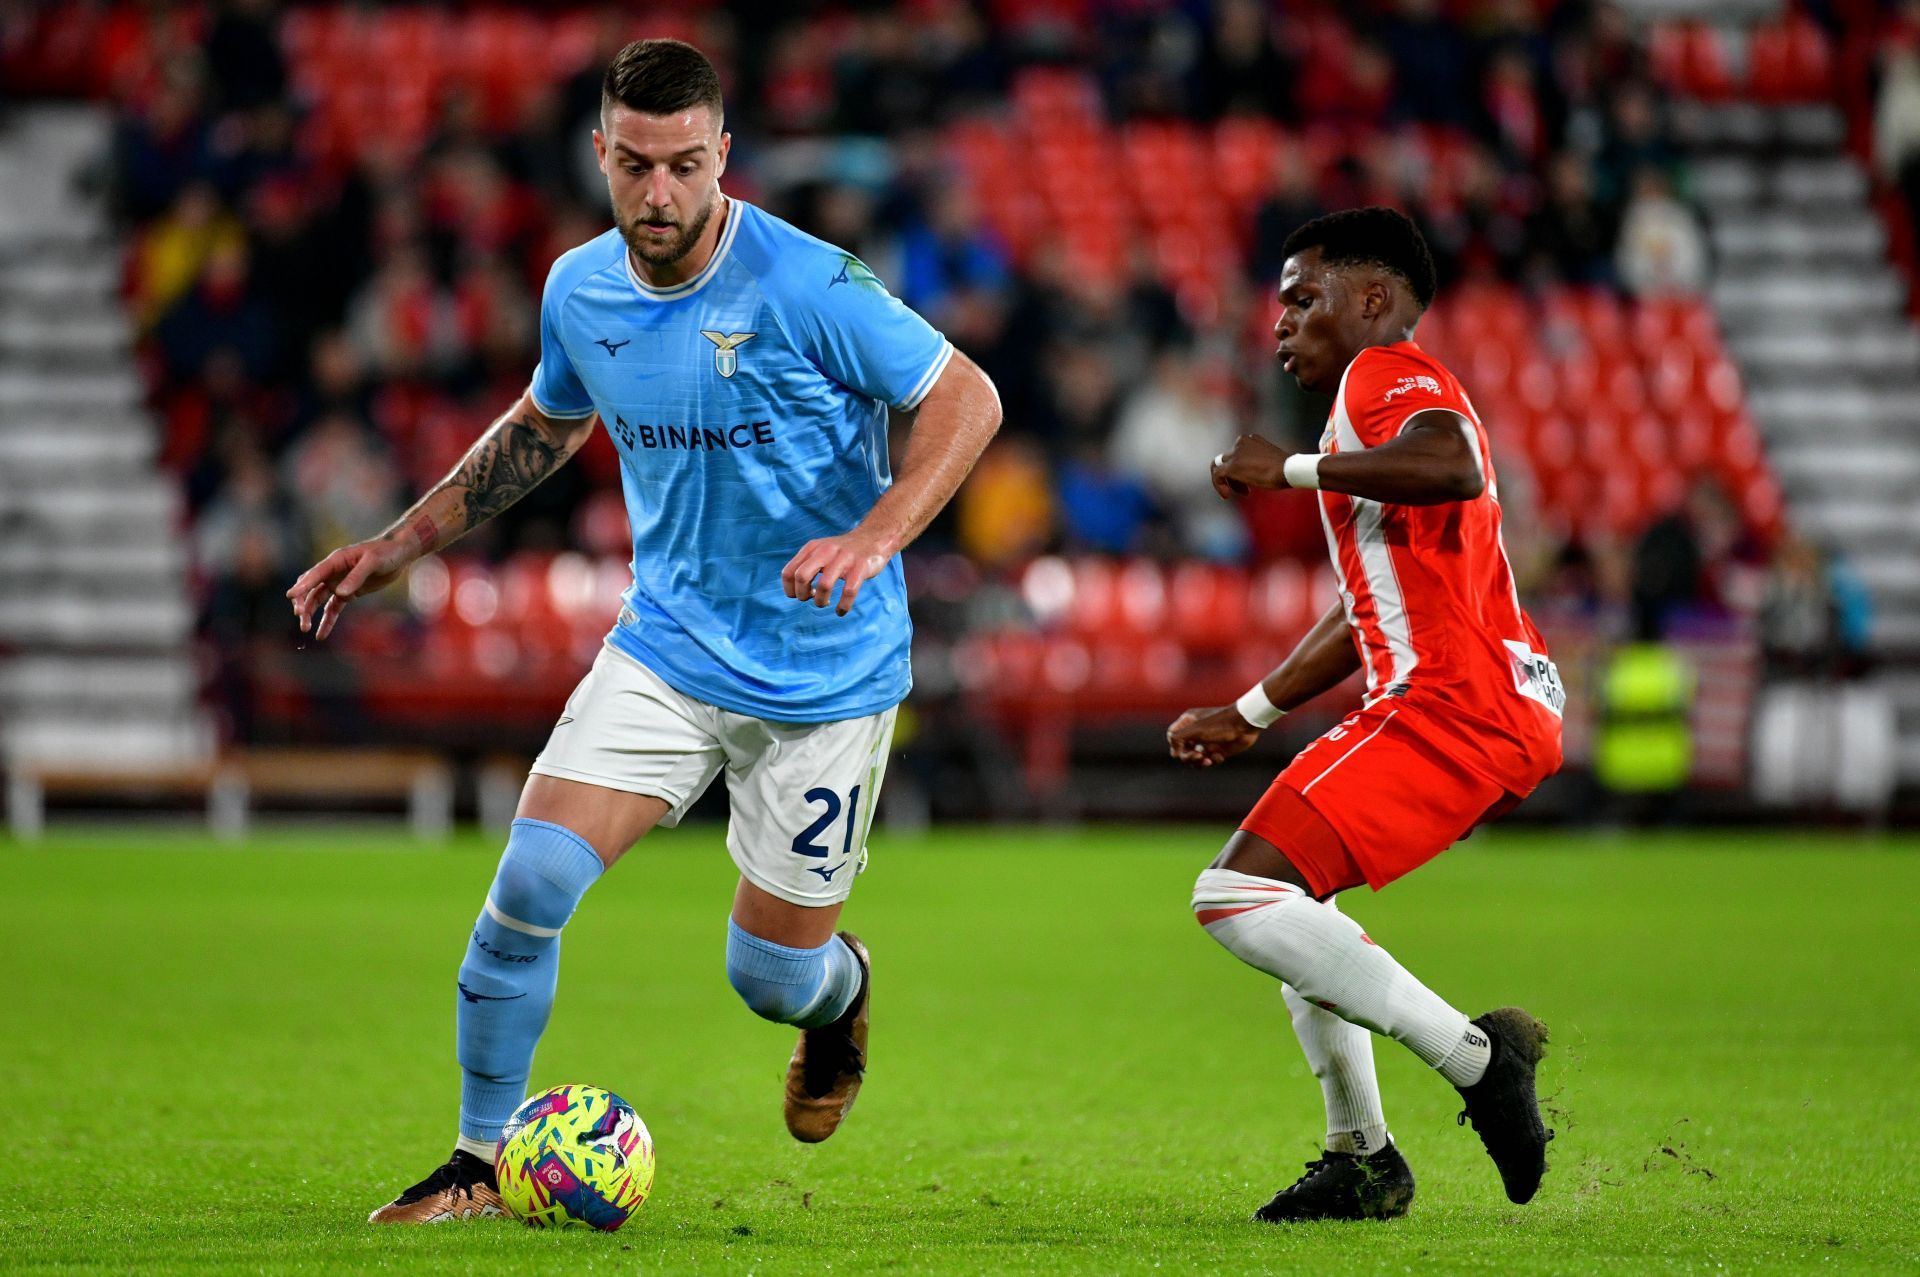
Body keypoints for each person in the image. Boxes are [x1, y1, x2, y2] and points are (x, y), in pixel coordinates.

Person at [286, 39, 1001, 1223]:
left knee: (769, 976)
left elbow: (966, 396)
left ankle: (841, 994)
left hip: (826, 671)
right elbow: (542, 426)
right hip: (666, 647)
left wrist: (874, 537)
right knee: (526, 885)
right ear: (601, 156)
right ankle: (474, 1162)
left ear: (724, 155)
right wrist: (395, 546)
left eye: (682, 166)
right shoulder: (580, 288)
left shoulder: (810, 282)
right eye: (634, 167)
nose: (658, 194)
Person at [1168, 208, 1564, 1223]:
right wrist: (1252, 707)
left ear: (1373, 298)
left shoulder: (1383, 374)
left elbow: (1456, 464)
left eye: (1303, 298)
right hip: (1469, 704)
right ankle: (1362, 1155)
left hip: (1450, 706)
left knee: (1230, 896)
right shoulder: (1368, 410)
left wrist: (1288, 468)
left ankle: (1478, 1058)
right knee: (1293, 901)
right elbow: (1362, 609)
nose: (1281, 322)